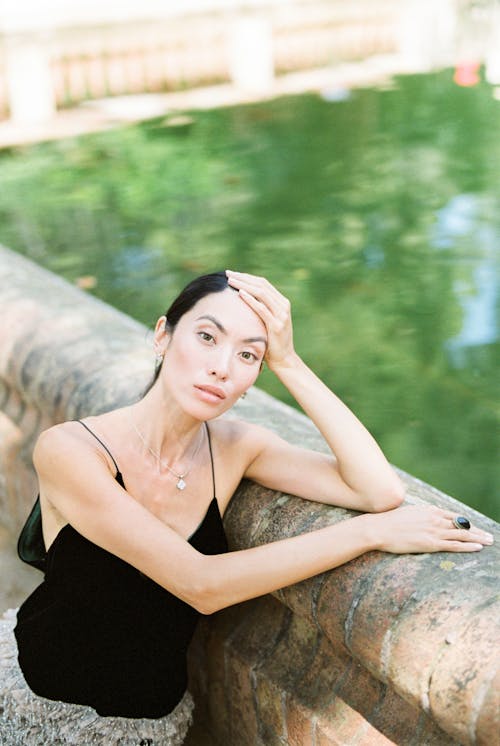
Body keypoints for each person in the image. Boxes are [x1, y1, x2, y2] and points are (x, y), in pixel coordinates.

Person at [0, 270, 493, 745]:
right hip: (43, 710)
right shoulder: (70, 449)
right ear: (162, 337)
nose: (222, 367)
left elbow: (377, 491)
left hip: (152, 725)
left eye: (248, 356)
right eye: (207, 337)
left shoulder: (236, 446)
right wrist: (368, 534)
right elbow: (201, 585)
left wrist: (291, 363)